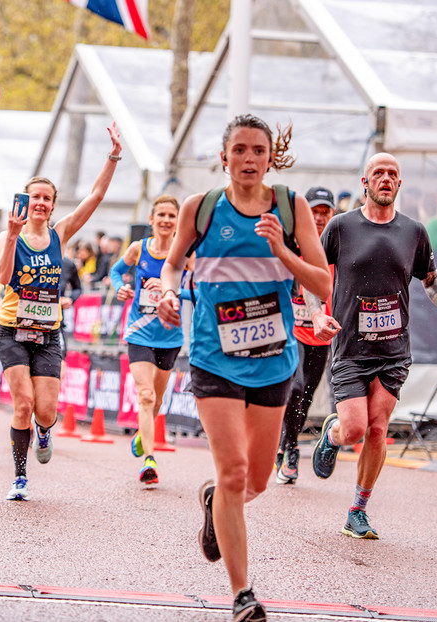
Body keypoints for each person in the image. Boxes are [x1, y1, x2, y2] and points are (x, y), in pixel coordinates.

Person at [157, 114, 331, 621]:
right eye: (240, 150)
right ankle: (242, 595)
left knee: (254, 482)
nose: (249, 159)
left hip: (274, 363)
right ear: (225, 155)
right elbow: (172, 263)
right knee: (233, 473)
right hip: (215, 359)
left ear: (270, 156)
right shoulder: (202, 208)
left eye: (258, 150)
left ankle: (213, 503)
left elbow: (322, 284)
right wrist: (168, 292)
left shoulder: (291, 208)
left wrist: (282, 250)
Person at [307, 152, 437, 541]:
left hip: (394, 350)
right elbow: (312, 279)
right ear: (365, 180)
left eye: (393, 174)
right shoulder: (341, 228)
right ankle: (333, 435)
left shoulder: (414, 231)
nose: (386, 179)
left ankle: (357, 511)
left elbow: (430, 279)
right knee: (355, 428)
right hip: (350, 348)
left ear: (399, 183)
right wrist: (315, 315)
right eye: (379, 172)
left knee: (378, 430)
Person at [0, 122, 122, 502]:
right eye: (35, 196)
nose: (41, 203)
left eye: (47, 198)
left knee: (45, 410)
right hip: (13, 330)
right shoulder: (9, 234)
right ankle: (19, 477)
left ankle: (45, 429)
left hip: (49, 333)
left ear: (52, 205)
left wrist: (114, 155)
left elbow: (96, 196)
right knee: (22, 403)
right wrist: (13, 236)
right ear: (25, 200)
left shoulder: (60, 233)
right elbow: (3, 277)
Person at [110, 194, 190, 485]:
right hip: (139, 331)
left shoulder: (184, 253)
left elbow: (202, 289)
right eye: (162, 215)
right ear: (152, 220)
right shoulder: (138, 248)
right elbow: (116, 271)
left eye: (172, 216)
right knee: (146, 395)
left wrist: (173, 292)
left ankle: (143, 437)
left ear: (178, 220)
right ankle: (149, 461)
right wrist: (120, 286)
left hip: (170, 334)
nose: (167, 220)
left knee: (156, 402)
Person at [274, 186, 336, 484]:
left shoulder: (337, 247)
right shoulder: (295, 245)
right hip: (292, 331)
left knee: (307, 397)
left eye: (326, 212)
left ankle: (285, 442)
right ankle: (292, 448)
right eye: (315, 211)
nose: (320, 217)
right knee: (295, 387)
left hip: (321, 336)